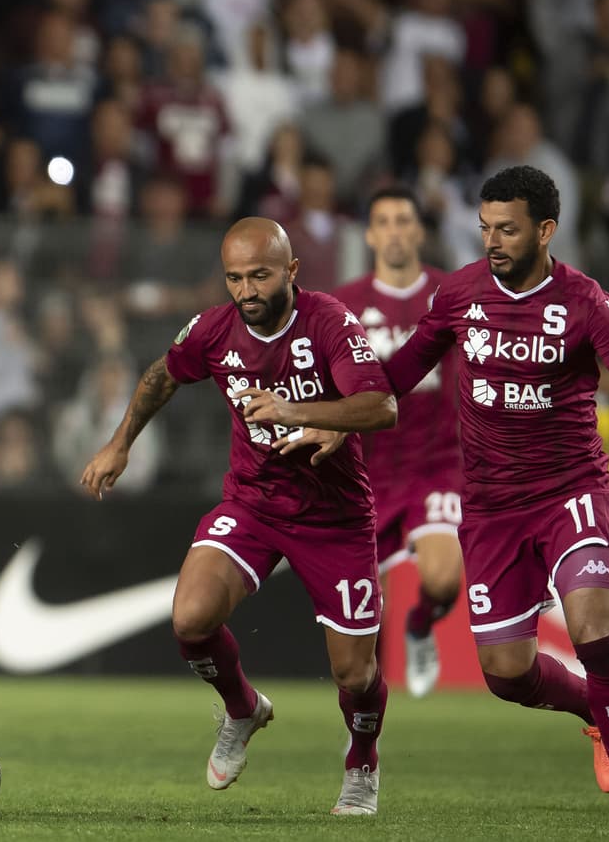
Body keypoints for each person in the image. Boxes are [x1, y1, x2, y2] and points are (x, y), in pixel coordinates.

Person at [382, 165, 609, 828]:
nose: (492, 241)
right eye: (484, 228)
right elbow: (400, 372)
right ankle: (593, 709)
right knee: (506, 672)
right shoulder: (459, 294)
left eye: (506, 229)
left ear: (545, 230)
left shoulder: (585, 302)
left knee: (593, 627)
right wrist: (334, 409)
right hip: (491, 507)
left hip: (572, 493)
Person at [81, 217, 398, 815]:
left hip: (336, 518)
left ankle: (362, 763)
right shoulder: (214, 328)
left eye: (259, 275)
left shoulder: (329, 322)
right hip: (253, 503)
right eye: (234, 278)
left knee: (354, 674)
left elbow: (381, 405)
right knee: (190, 617)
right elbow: (161, 376)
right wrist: (119, 442)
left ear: (291, 272)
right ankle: (242, 707)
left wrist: (303, 411)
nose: (246, 290)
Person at [333, 187, 463, 697]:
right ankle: (362, 729)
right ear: (369, 234)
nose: (393, 230)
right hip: (367, 472)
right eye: (382, 221)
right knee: (360, 625)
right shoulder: (344, 304)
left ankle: (421, 624)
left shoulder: (454, 295)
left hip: (437, 462)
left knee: (443, 580)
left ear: (418, 230)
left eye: (403, 220)